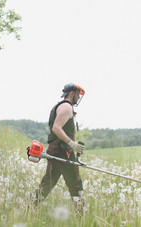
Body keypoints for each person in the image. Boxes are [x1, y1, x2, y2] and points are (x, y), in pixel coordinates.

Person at [35, 83, 86, 211]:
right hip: (63, 152)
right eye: (78, 95)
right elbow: (56, 128)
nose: (78, 98)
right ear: (71, 93)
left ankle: (29, 207)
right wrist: (72, 143)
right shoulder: (66, 107)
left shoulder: (59, 107)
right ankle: (82, 215)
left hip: (55, 150)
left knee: (48, 183)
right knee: (75, 184)